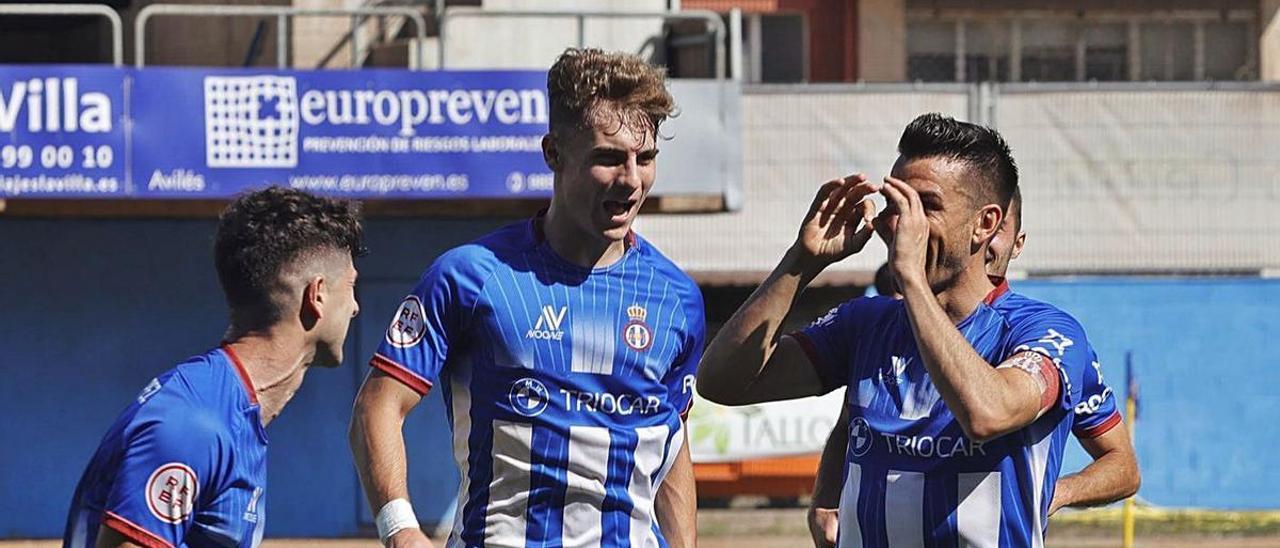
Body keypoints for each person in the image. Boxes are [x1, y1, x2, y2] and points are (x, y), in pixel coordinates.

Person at [698, 113, 1123, 546]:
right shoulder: (866, 323)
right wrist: (802, 263)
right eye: (897, 203)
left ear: (985, 224)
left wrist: (912, 280)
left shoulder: (1043, 331)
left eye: (927, 206)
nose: (903, 223)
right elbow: (723, 383)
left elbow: (988, 413)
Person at [349, 48, 702, 548]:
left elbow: (670, 441)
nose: (630, 180)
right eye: (608, 158)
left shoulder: (677, 297)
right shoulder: (472, 276)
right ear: (553, 153)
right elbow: (377, 407)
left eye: (644, 159)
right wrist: (401, 529)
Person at [805, 188, 1139, 547]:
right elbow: (850, 423)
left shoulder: (1046, 336)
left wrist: (1055, 493)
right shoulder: (886, 322)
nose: (983, 241)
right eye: (974, 225)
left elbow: (1123, 466)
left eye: (997, 228)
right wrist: (825, 500)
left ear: (1018, 242)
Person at [63, 187, 364, 548]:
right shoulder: (193, 426)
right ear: (317, 295)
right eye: (350, 288)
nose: (355, 308)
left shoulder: (231, 414)